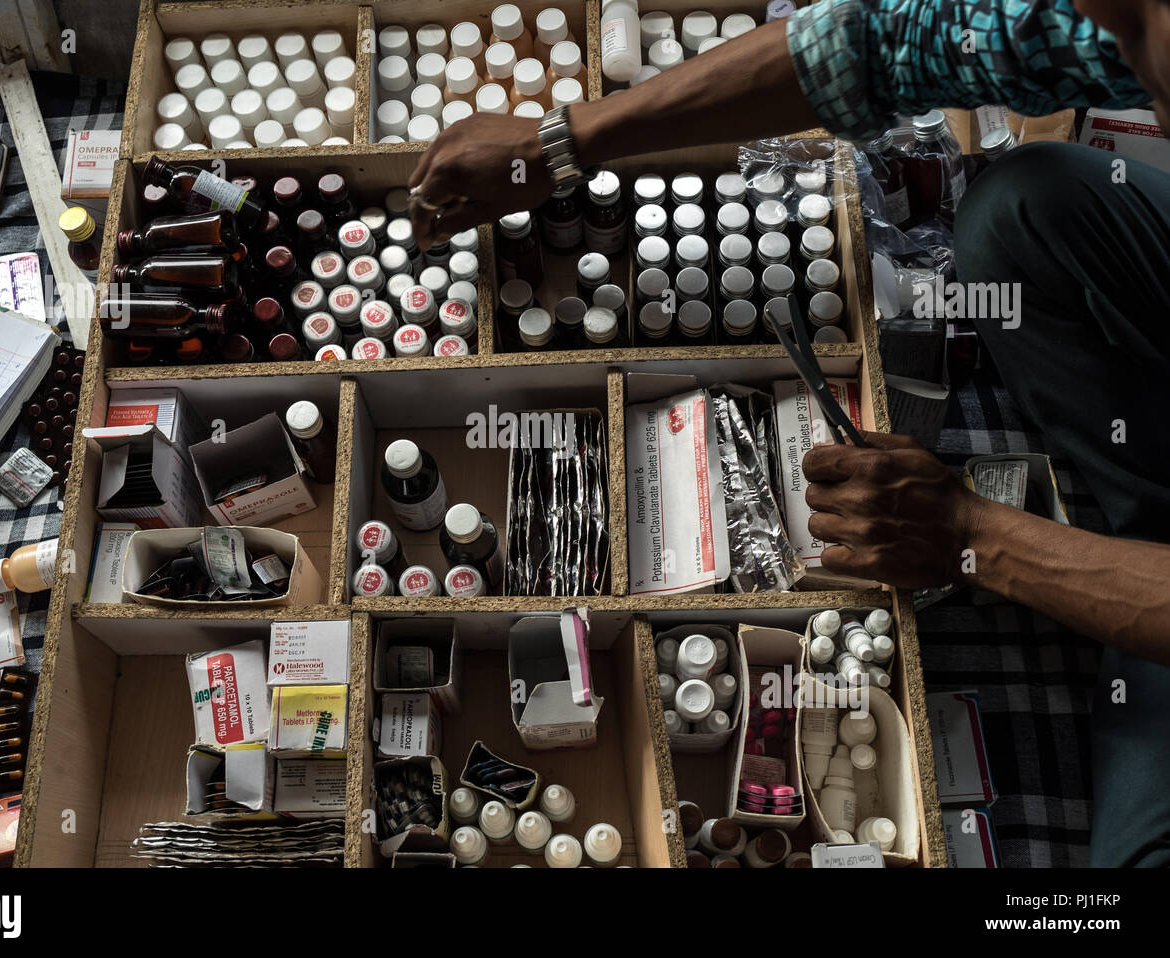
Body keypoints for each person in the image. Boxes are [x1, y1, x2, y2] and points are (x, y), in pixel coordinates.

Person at [408, 0, 1170, 867]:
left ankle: (1124, 556)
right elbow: (870, 45)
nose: (1109, 21)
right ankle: (1135, 506)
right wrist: (564, 142)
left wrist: (974, 536)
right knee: (1021, 206)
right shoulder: (1116, 17)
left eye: (1143, 27)